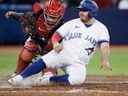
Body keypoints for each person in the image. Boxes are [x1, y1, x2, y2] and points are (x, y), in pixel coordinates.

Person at [8, 0, 112, 86]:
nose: (81, 12)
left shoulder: (101, 28)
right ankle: (19, 78)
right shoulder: (72, 23)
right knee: (44, 60)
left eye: (84, 10)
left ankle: (48, 80)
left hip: (79, 62)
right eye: (80, 10)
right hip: (63, 54)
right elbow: (57, 35)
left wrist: (105, 60)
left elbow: (105, 46)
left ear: (93, 12)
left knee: (77, 80)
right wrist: (56, 43)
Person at [5, 0, 65, 78]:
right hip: (36, 42)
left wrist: (35, 36)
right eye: (49, 16)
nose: (51, 20)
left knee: (48, 74)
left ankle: (50, 72)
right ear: (44, 13)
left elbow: (48, 46)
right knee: (29, 49)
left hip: (51, 49)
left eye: (54, 18)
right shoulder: (39, 14)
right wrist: (14, 15)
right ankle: (19, 73)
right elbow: (24, 17)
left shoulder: (62, 27)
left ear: (60, 17)